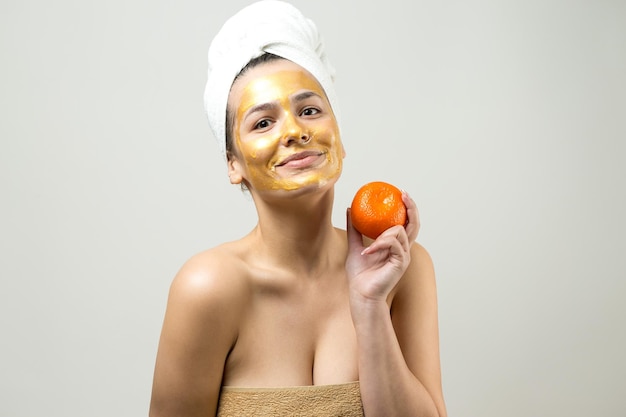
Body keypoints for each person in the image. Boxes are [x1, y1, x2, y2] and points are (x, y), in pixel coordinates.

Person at [149, 1, 446, 416]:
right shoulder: (207, 288)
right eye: (263, 122)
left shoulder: (403, 269)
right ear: (233, 164)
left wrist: (370, 306)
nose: (294, 131)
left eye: (309, 111)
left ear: (338, 138)